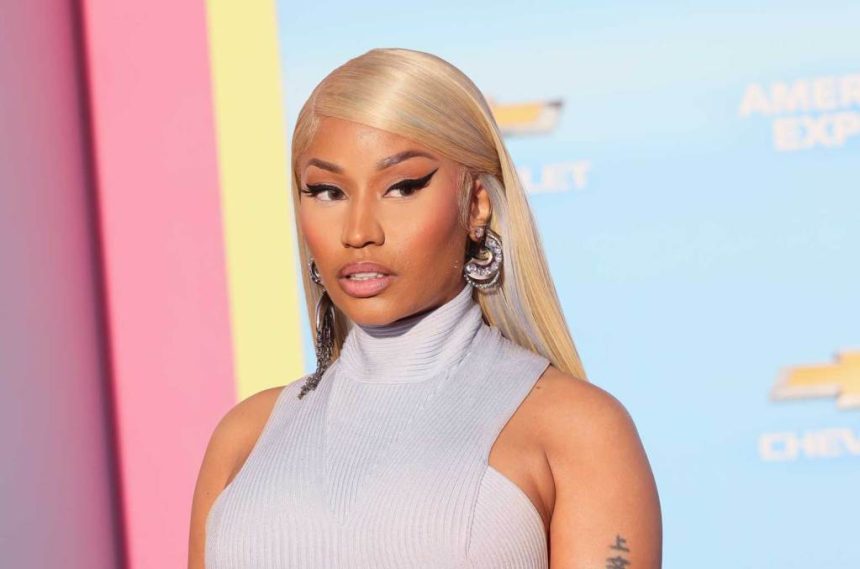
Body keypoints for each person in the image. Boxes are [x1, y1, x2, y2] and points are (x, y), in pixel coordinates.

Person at [188, 47, 661, 569]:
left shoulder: (576, 430)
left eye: (402, 187)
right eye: (327, 191)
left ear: (476, 204)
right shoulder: (244, 438)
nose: (359, 232)